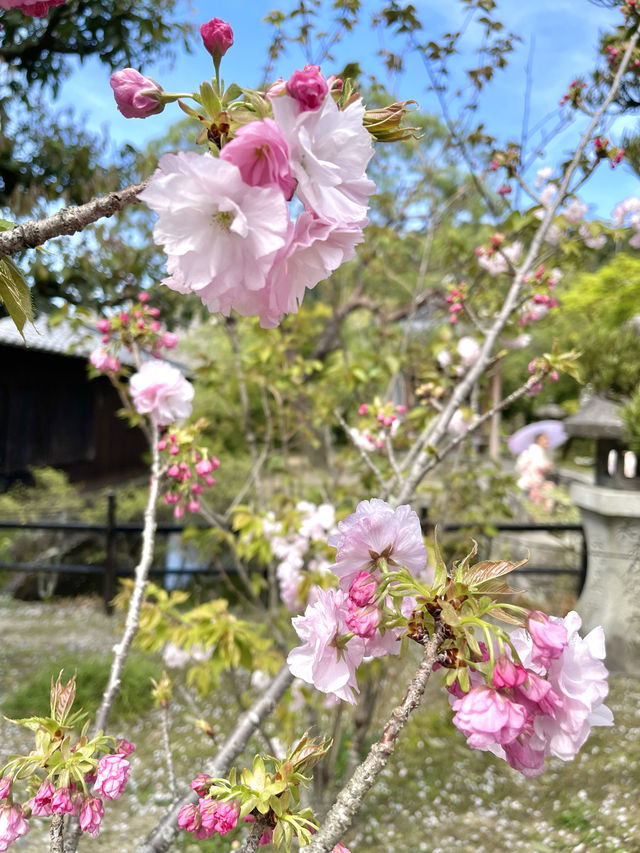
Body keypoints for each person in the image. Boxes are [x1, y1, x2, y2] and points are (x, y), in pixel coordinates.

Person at [516, 433, 554, 510]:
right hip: (532, 483)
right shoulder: (536, 450)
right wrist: (548, 464)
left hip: (525, 482)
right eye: (545, 439)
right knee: (549, 488)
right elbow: (541, 465)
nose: (547, 441)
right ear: (538, 441)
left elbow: (518, 468)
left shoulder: (530, 450)